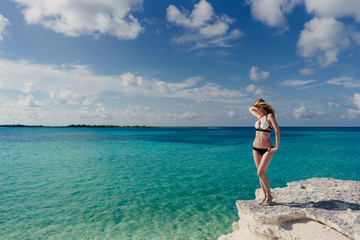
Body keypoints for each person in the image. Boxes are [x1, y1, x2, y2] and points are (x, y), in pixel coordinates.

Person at [249, 99, 280, 206]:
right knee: (260, 175)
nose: (255, 110)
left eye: (257, 108)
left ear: (261, 107)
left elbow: (277, 131)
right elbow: (250, 109)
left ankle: (269, 196)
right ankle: (265, 196)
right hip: (255, 148)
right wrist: (256, 107)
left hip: (267, 149)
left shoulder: (269, 117)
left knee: (260, 172)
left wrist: (276, 147)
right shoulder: (259, 117)